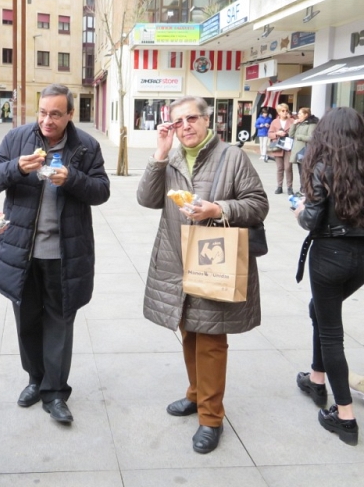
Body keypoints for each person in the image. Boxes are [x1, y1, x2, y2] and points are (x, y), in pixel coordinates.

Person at [137, 95, 268, 454]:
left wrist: (218, 208)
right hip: (177, 260)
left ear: (207, 120)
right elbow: (147, 200)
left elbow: (258, 204)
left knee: (211, 341)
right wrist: (160, 155)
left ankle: (211, 418)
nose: (185, 127)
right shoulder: (173, 156)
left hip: (215, 259)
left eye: (192, 119)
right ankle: (195, 395)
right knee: (189, 333)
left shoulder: (232, 157)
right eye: (177, 122)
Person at [0, 83, 110, 424]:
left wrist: (73, 179)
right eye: (42, 112)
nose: (47, 120)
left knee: (60, 321)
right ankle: (35, 380)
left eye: (55, 114)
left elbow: (101, 192)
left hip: (64, 253)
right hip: (21, 251)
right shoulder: (17, 139)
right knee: (27, 320)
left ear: (69, 114)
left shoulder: (86, 146)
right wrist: (16, 169)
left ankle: (55, 391)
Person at [293, 107, 364, 447]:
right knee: (317, 311)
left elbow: (310, 219)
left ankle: (345, 416)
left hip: (329, 257)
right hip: (361, 259)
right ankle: (316, 380)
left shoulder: (321, 166)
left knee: (331, 334)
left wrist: (298, 208)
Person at [289, 107, 318, 193]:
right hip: (298, 152)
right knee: (301, 172)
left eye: (300, 114)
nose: (298, 115)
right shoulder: (300, 123)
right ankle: (302, 188)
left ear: (306, 115)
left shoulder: (312, 124)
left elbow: (312, 138)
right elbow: (291, 134)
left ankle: (305, 189)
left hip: (305, 151)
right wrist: (294, 124)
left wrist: (299, 137)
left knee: (305, 172)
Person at [268, 103, 294, 195]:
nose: (285, 112)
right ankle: (279, 187)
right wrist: (277, 133)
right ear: (278, 112)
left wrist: (288, 133)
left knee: (288, 167)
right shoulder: (274, 122)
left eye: (286, 110)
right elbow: (269, 134)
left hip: (288, 147)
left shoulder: (291, 121)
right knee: (280, 168)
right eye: (283, 111)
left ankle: (289, 187)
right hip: (277, 147)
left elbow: (295, 132)